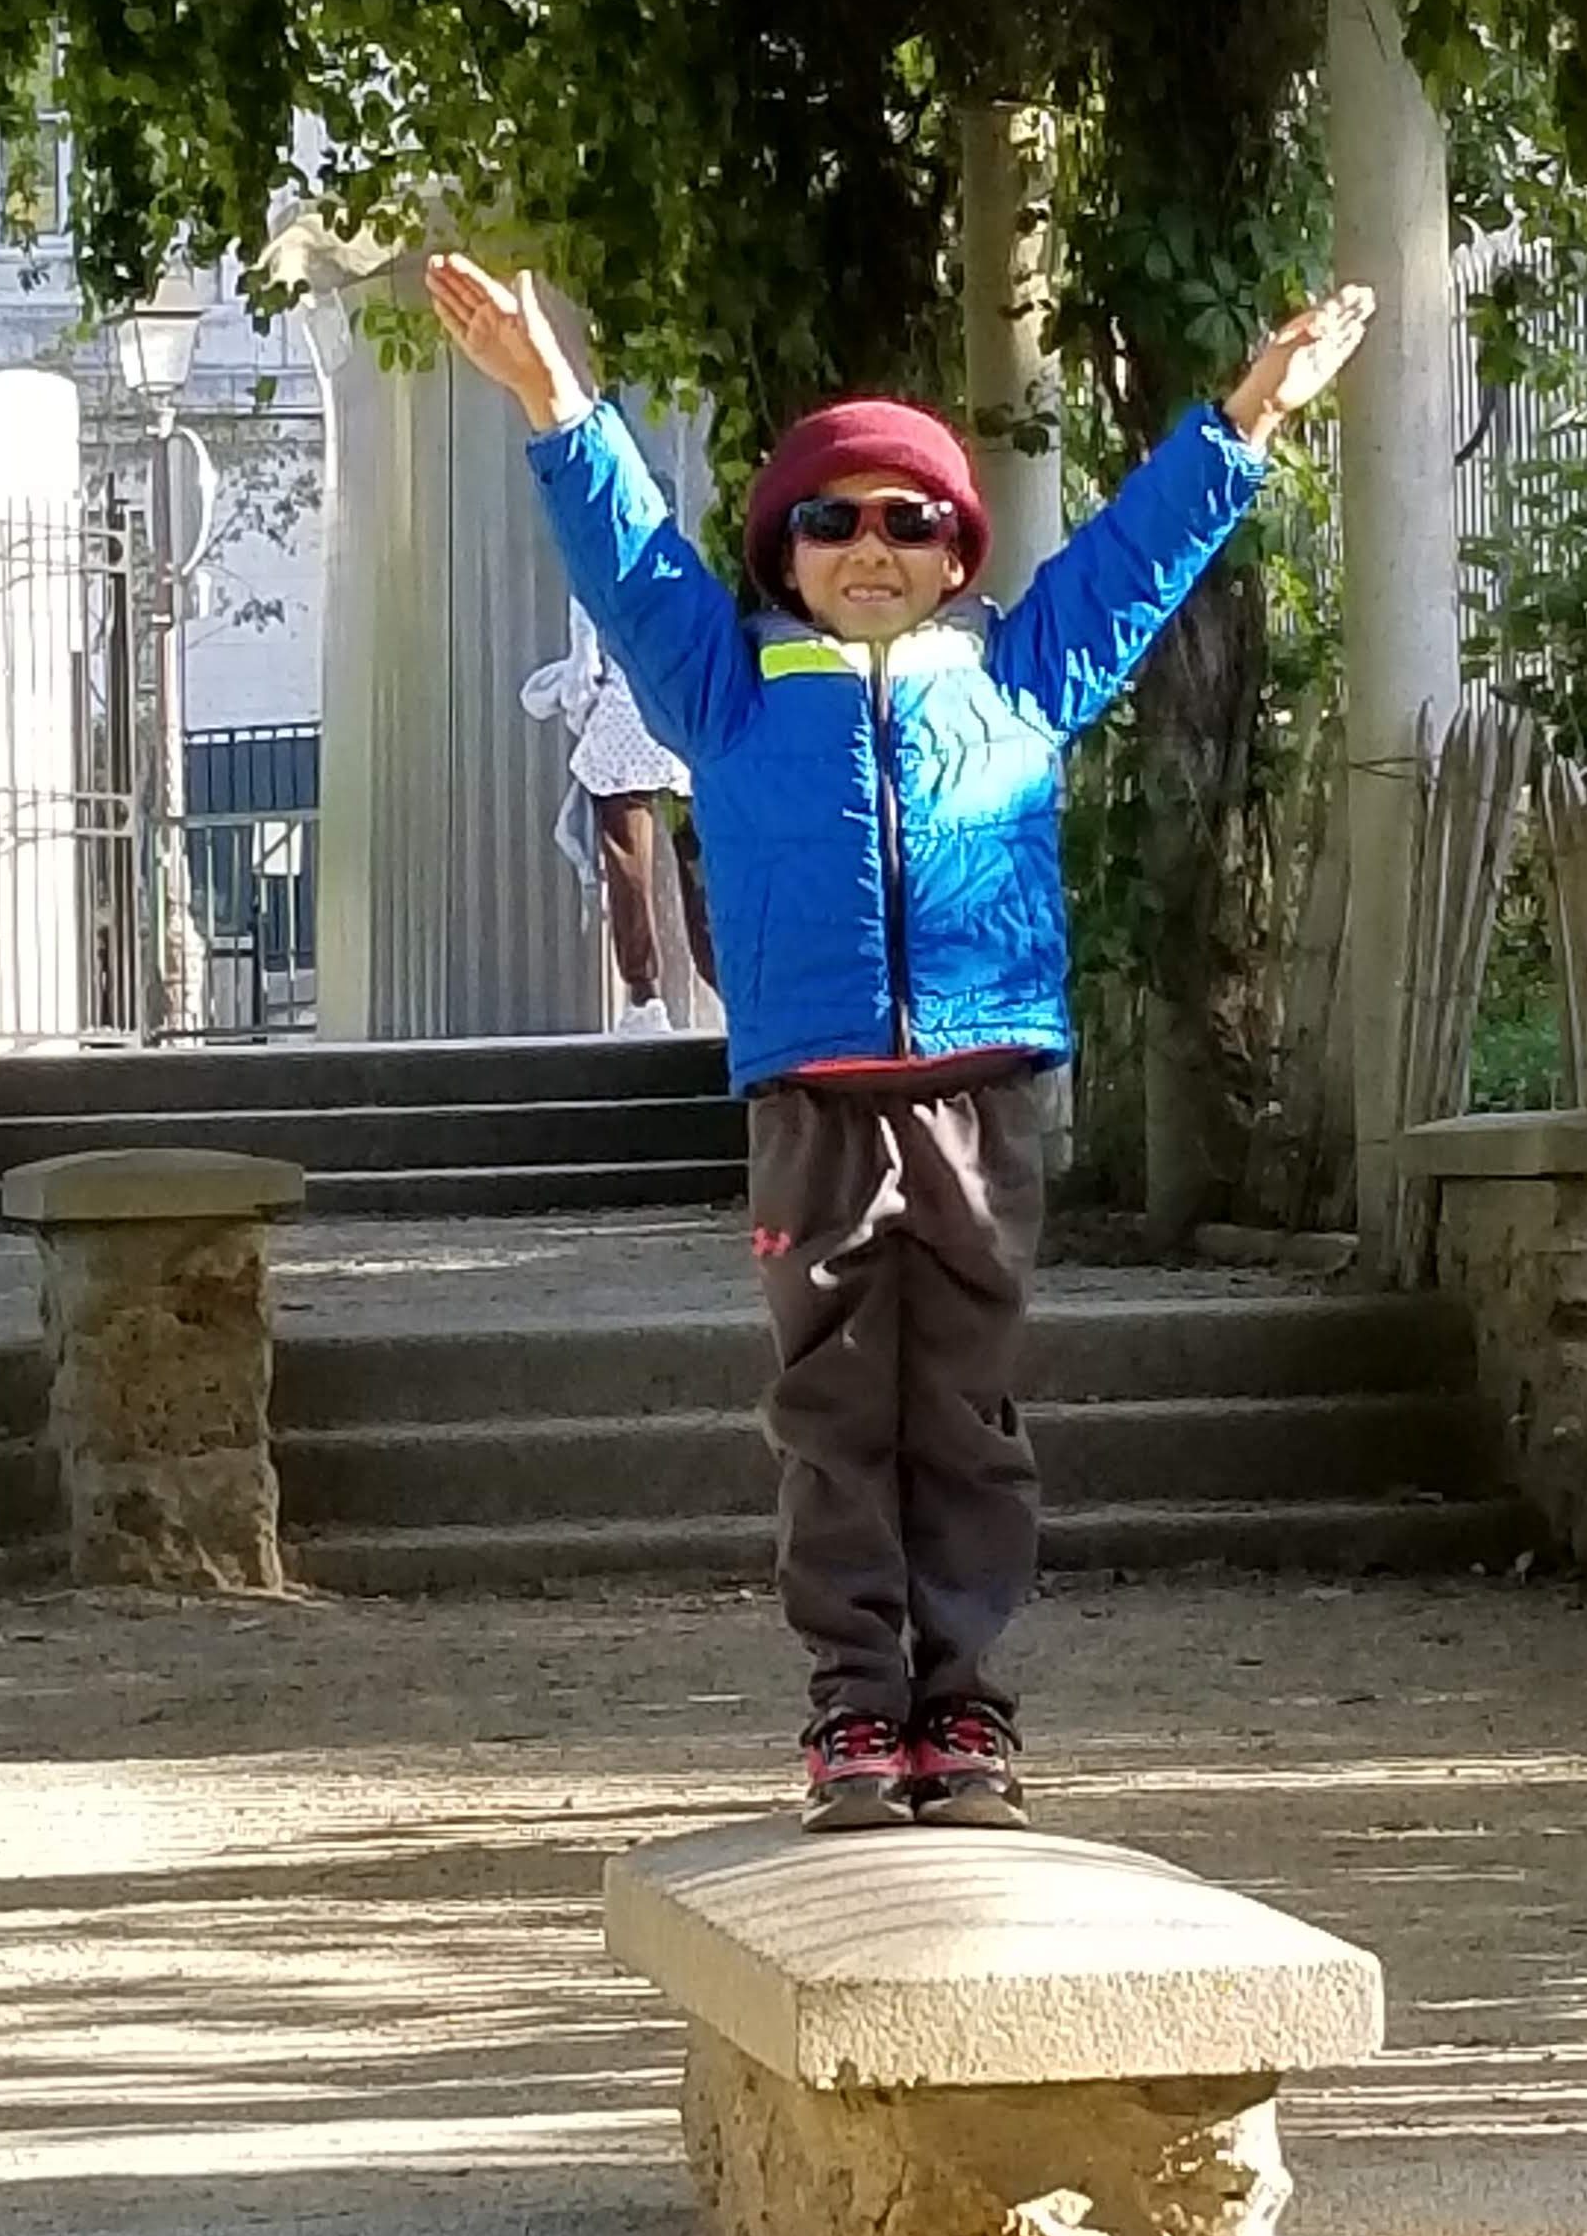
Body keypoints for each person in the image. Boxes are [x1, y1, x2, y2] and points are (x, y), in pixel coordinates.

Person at [426, 251, 1373, 1834]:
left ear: (954, 557)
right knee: (835, 1406)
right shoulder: (722, 684)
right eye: (833, 518)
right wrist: (551, 394)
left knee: (967, 1409)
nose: (872, 544)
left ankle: (968, 1713)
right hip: (813, 1093)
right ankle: (859, 1714)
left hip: (980, 1087)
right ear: (784, 556)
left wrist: (1245, 422)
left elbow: (1140, 560)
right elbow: (622, 554)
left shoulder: (1020, 674)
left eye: (908, 520)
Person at [522, 601, 716, 1034]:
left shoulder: (593, 573)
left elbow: (584, 671)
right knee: (701, 866)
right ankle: (726, 983)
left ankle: (645, 998)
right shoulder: (676, 567)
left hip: (620, 732)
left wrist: (579, 707)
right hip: (679, 730)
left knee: (629, 871)